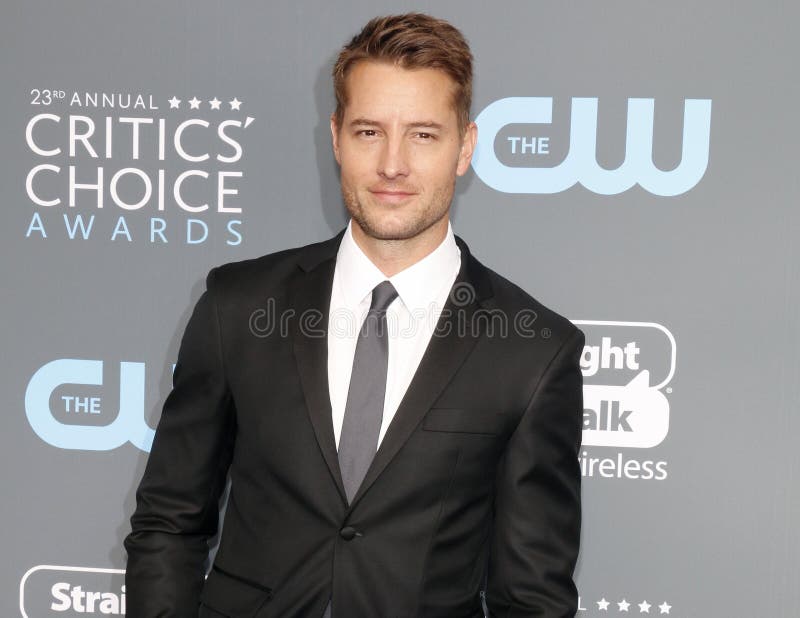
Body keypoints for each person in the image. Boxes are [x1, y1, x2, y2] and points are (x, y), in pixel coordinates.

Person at [124, 13, 584, 618]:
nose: (393, 165)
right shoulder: (238, 306)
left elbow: (531, 597)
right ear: (336, 135)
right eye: (370, 132)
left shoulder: (533, 351)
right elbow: (169, 523)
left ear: (465, 146)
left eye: (423, 135)